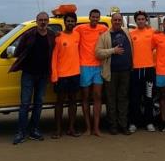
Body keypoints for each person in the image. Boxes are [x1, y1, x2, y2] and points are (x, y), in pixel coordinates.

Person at [10, 11, 56, 145]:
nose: (43, 22)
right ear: (37, 21)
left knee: (38, 104)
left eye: (45, 20)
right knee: (24, 104)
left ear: (48, 21)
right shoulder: (28, 35)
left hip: (43, 75)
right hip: (28, 74)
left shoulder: (52, 35)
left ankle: (34, 130)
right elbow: (18, 51)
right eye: (40, 20)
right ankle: (21, 132)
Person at [95, 12, 133, 135]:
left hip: (126, 71)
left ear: (122, 21)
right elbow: (98, 53)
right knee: (111, 100)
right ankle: (113, 126)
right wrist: (113, 51)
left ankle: (123, 125)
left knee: (123, 99)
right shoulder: (104, 36)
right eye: (115, 20)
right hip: (110, 72)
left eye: (119, 20)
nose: (117, 22)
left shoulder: (127, 32)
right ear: (111, 21)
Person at [77, 8, 108, 137]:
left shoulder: (103, 29)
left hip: (98, 67)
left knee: (97, 97)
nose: (95, 19)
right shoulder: (80, 29)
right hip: (84, 67)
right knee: (85, 98)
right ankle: (87, 128)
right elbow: (66, 34)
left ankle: (96, 128)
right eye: (93, 17)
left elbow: (115, 32)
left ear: (99, 18)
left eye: (97, 17)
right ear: (89, 17)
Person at [51, 11, 81, 139]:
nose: (70, 23)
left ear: (75, 23)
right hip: (62, 75)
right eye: (68, 21)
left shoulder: (78, 35)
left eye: (72, 21)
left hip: (75, 73)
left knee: (73, 102)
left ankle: (71, 128)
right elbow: (54, 58)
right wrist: (54, 75)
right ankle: (58, 130)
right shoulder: (58, 37)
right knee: (59, 103)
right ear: (64, 22)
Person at [129, 11, 156, 133]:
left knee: (149, 97)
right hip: (135, 70)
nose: (140, 21)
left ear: (146, 20)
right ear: (136, 21)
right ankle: (134, 123)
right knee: (134, 98)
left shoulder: (152, 33)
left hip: (149, 70)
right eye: (138, 19)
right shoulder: (131, 34)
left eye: (142, 19)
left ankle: (149, 122)